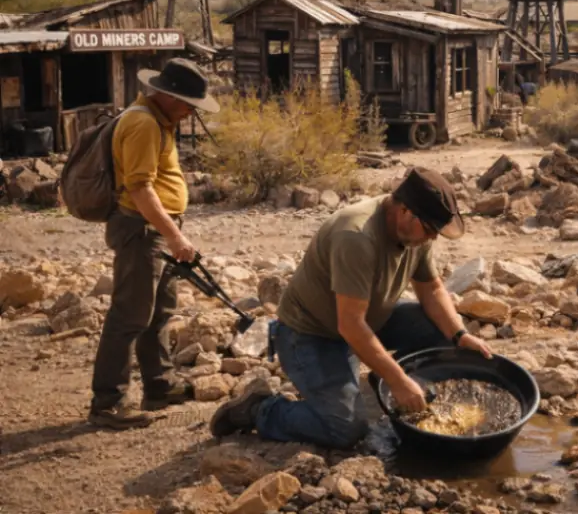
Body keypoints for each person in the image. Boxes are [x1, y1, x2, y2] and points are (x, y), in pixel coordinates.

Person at [209, 167, 491, 450]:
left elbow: (431, 289)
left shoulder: (416, 231)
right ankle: (261, 410)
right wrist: (400, 380)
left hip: (369, 317)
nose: (432, 239)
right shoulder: (356, 235)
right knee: (345, 429)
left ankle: (385, 380)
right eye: (430, 230)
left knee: (441, 330)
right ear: (405, 210)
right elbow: (351, 325)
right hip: (312, 334)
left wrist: (459, 335)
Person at [89, 58, 219, 429]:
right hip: (141, 231)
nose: (190, 111)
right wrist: (175, 236)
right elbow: (139, 188)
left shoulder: (157, 119)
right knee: (130, 315)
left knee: (158, 311)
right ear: (165, 95)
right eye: (186, 103)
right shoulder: (143, 123)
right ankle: (107, 403)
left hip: (153, 230)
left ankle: (159, 385)